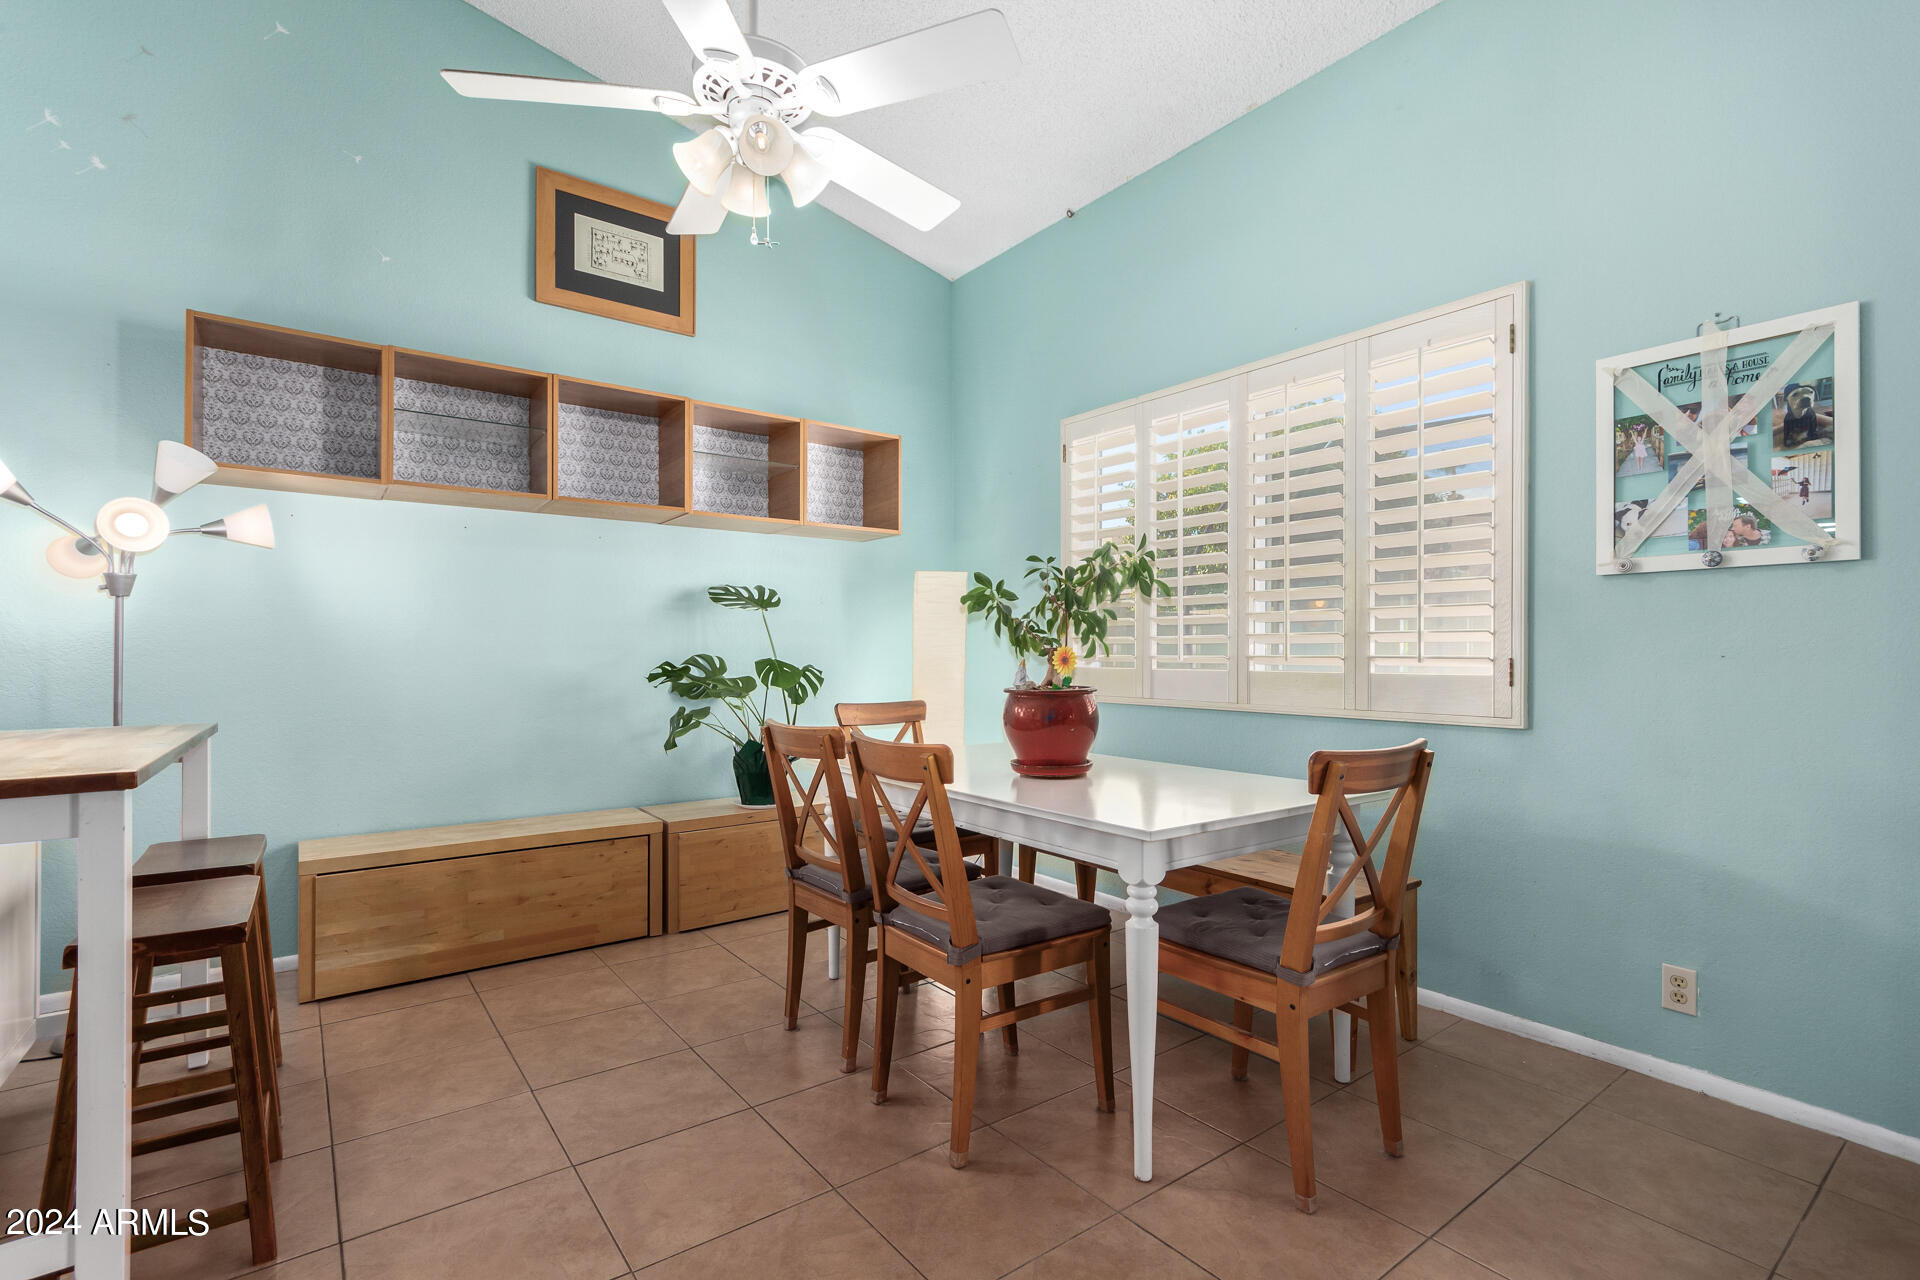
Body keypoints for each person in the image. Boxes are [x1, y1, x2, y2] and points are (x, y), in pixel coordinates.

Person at [1777, 383, 1833, 447]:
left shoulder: (1811, 414)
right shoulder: (1788, 417)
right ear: (1786, 399)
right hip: (1793, 422)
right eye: (1795, 394)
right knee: (1788, 428)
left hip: (1808, 424)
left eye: (1810, 392)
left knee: (1813, 428)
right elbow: (1786, 429)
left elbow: (1813, 426)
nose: (1806, 397)